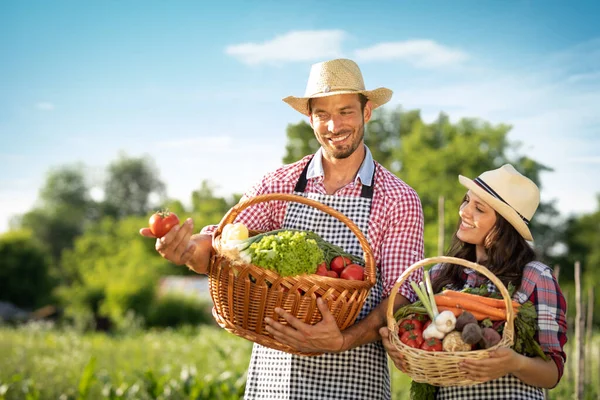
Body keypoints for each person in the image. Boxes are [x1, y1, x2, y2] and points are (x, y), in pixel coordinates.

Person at [140, 58, 425, 399]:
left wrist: (342, 340)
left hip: (355, 379)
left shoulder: (398, 199)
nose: (334, 125)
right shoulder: (281, 183)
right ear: (310, 119)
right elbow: (226, 243)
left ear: (367, 113)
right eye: (322, 114)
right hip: (275, 381)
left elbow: (401, 296)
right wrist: (189, 251)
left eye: (346, 111)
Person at [380, 164, 568, 399]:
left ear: (504, 226)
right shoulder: (441, 273)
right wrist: (401, 353)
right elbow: (426, 356)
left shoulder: (535, 278)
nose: (464, 212)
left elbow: (552, 373)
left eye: (479, 208)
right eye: (466, 201)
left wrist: (514, 364)